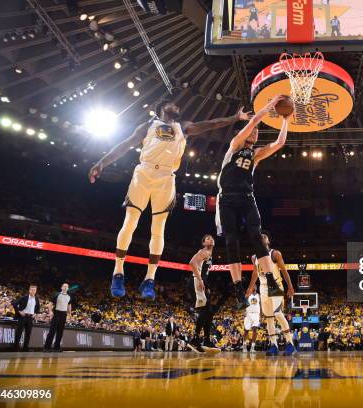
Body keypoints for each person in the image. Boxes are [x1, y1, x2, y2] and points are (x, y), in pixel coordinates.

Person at [88, 100, 251, 301]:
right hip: (144, 172)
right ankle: (118, 273)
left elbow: (210, 124)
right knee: (130, 222)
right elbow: (124, 145)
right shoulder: (147, 126)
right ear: (161, 108)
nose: (176, 106)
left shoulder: (183, 127)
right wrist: (101, 163)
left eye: (177, 105)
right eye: (171, 104)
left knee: (158, 230)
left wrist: (234, 118)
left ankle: (149, 279)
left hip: (166, 178)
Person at [215, 95, 291, 310]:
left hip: (247, 198)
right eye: (253, 130)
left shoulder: (256, 154)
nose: (256, 132)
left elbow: (280, 142)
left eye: (257, 133)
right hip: (227, 198)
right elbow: (254, 121)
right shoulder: (235, 145)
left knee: (257, 237)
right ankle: (238, 289)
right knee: (232, 241)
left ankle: (270, 281)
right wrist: (271, 103)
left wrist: (286, 119)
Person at [247, 232, 296, 356]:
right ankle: (273, 345)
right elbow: (254, 274)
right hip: (263, 288)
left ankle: (290, 343)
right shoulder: (254, 257)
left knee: (278, 313)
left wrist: (290, 287)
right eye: (260, 237)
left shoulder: (275, 254)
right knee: (269, 318)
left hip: (276, 286)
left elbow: (284, 271)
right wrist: (249, 289)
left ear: (268, 241)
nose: (262, 237)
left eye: (265, 236)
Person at [188, 234, 219, 353]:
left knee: (209, 313)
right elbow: (192, 263)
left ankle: (206, 340)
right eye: (207, 238)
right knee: (205, 311)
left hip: (201, 283)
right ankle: (195, 339)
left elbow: (204, 270)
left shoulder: (209, 254)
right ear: (204, 243)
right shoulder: (204, 251)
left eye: (212, 238)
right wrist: (200, 280)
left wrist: (207, 286)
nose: (210, 239)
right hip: (196, 282)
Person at [44, 283, 74, 352]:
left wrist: (70, 314)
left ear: (68, 288)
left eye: (67, 287)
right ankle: (47, 347)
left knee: (60, 331)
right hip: (56, 313)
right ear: (61, 287)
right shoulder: (57, 295)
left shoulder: (69, 297)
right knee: (52, 331)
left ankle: (56, 347)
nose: (66, 287)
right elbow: (50, 304)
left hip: (64, 314)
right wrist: (50, 311)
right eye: (64, 286)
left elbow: (69, 306)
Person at [12, 284, 41, 352]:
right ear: (29, 290)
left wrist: (35, 313)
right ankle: (15, 347)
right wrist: (19, 311)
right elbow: (14, 304)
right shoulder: (24, 297)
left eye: (35, 290)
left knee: (28, 333)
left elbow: (38, 308)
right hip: (23, 317)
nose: (33, 291)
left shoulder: (36, 299)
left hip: (30, 317)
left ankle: (25, 348)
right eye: (32, 290)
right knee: (19, 332)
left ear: (36, 291)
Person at [243, 286, 261, 353]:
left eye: (255, 286)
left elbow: (260, 305)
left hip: (256, 314)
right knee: (246, 331)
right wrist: (243, 312)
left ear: (256, 288)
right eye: (253, 286)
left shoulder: (259, 295)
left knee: (255, 329)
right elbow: (243, 303)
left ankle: (252, 347)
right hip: (248, 314)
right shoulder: (247, 295)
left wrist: (261, 315)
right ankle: (244, 345)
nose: (254, 287)